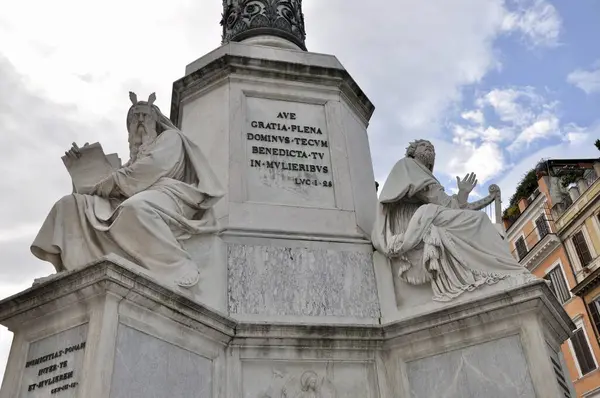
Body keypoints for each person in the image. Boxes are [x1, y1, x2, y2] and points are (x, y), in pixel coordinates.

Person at [31, 92, 224, 288]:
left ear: (155, 121)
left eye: (145, 115)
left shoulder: (170, 138)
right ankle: (69, 272)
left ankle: (177, 265)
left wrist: (112, 181)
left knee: (135, 208)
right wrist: (82, 165)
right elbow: (104, 185)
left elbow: (152, 168)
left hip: (170, 194)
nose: (140, 120)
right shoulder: (131, 160)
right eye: (134, 117)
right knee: (69, 204)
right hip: (128, 196)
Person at [372, 139, 531, 302]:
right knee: (479, 220)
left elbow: (447, 205)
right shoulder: (408, 165)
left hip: (425, 217)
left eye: (432, 147)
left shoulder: (420, 172)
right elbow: (443, 202)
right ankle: (503, 271)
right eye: (423, 145)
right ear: (412, 151)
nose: (429, 148)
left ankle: (501, 270)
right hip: (415, 222)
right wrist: (462, 195)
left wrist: (462, 194)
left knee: (476, 221)